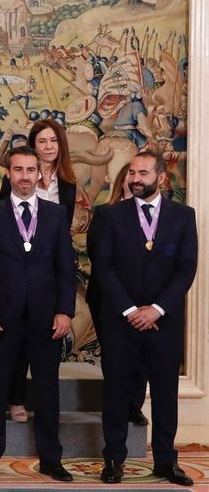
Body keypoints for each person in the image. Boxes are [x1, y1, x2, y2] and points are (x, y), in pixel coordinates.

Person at [92, 152, 197, 486]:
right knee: (117, 393)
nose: (135, 178)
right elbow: (104, 268)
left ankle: (166, 461)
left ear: (161, 178)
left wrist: (156, 309)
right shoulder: (110, 215)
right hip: (121, 322)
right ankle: (114, 460)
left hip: (163, 323)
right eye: (132, 172)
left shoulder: (183, 216)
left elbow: (186, 268)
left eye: (143, 173)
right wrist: (130, 310)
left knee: (165, 394)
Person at [0, 146, 75, 482]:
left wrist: (65, 311)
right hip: (1, 319)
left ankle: (51, 459)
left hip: (46, 320)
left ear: (40, 174)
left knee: (47, 391)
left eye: (31, 170)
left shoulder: (57, 214)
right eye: (18, 170)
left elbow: (65, 268)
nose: (24, 177)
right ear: (9, 174)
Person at [0, 118, 76, 423]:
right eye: (42, 141)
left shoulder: (66, 183)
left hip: (47, 271)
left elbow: (63, 228)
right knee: (15, 347)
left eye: (53, 141)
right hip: (15, 272)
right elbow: (4, 222)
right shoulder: (16, 176)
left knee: (43, 354)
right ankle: (15, 399)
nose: (48, 147)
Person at [85, 164, 149, 428]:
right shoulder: (104, 213)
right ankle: (117, 407)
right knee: (116, 358)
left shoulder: (156, 216)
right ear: (121, 183)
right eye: (129, 177)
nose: (134, 181)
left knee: (141, 359)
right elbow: (98, 256)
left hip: (145, 302)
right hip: (108, 299)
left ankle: (134, 406)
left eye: (140, 176)